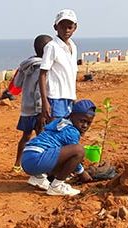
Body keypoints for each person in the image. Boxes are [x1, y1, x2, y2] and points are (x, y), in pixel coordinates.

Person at [32, 9, 79, 190]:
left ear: (75, 28)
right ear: (55, 27)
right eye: (62, 25)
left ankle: (55, 172)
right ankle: (47, 175)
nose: (66, 29)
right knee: (56, 137)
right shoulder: (52, 47)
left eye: (70, 26)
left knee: (65, 135)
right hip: (55, 98)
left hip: (68, 98)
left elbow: (70, 74)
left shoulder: (73, 46)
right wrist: (45, 102)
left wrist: (73, 97)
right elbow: (43, 75)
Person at [21, 100, 96, 197]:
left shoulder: (60, 122)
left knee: (62, 152)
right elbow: (75, 155)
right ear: (72, 116)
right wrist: (82, 173)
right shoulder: (72, 132)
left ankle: (39, 177)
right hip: (36, 159)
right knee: (79, 150)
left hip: (28, 157)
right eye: (82, 121)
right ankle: (56, 186)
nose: (85, 125)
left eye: (88, 123)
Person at [12, 34, 53, 174]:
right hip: (37, 109)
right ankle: (40, 167)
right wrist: (41, 111)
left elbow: (17, 83)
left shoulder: (26, 64)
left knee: (26, 136)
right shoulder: (41, 67)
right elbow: (38, 91)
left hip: (26, 108)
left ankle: (17, 164)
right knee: (42, 137)